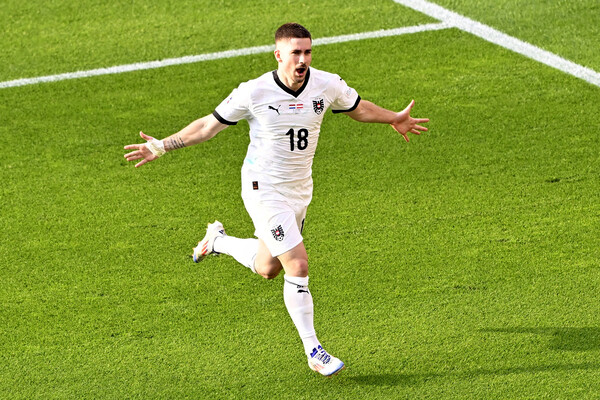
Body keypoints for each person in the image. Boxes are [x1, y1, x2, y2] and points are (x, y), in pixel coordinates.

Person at [124, 22, 429, 377]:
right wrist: (161, 146)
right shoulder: (254, 92)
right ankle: (314, 350)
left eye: (308, 52)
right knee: (297, 265)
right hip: (263, 188)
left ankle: (216, 241)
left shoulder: (326, 84)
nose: (303, 60)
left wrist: (394, 119)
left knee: (269, 268)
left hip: (300, 190)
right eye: (295, 52)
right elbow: (208, 127)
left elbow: (357, 108)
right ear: (279, 55)